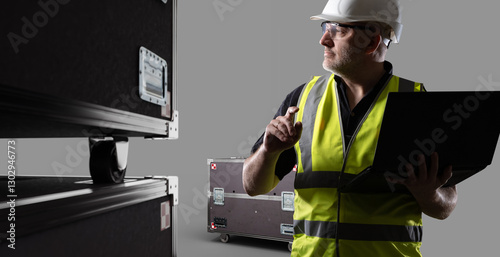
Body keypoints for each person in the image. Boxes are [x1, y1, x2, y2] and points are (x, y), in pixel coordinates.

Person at [242, 0, 458, 256]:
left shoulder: (417, 103)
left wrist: (427, 194)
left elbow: (446, 206)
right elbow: (252, 186)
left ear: (372, 42)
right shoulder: (302, 100)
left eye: (338, 29)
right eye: (325, 27)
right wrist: (269, 152)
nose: (324, 39)